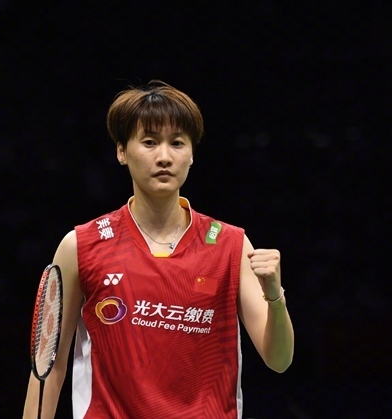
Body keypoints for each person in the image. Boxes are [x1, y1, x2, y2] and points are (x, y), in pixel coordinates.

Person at [23, 80, 294, 418]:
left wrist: (275, 296)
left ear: (191, 154)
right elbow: (48, 367)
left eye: (177, 143)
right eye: (149, 142)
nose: (164, 157)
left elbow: (279, 360)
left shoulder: (230, 245)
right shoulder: (81, 246)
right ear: (122, 152)